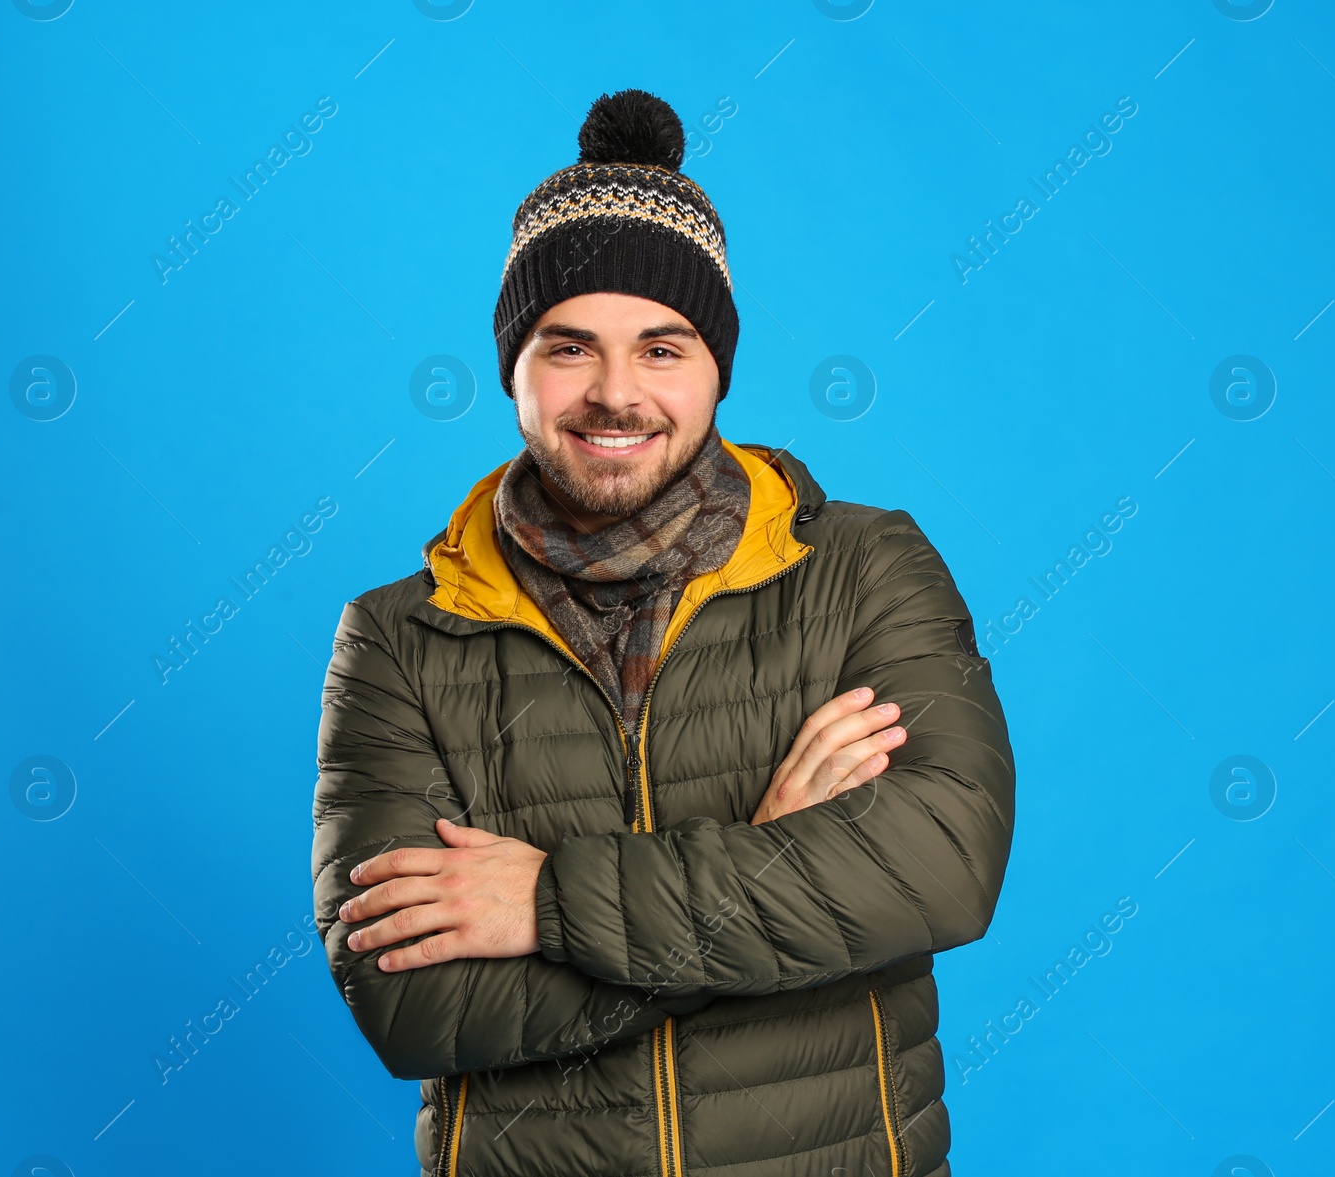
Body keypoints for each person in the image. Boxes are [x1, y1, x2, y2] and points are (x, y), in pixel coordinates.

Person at [310, 88, 1016, 1177]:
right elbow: (415, 1005)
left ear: (716, 366)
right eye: (567, 347)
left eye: (661, 347)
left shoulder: (866, 568)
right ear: (513, 368)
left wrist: (543, 901)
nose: (613, 394)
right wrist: (767, 854)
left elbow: (940, 864)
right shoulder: (399, 637)